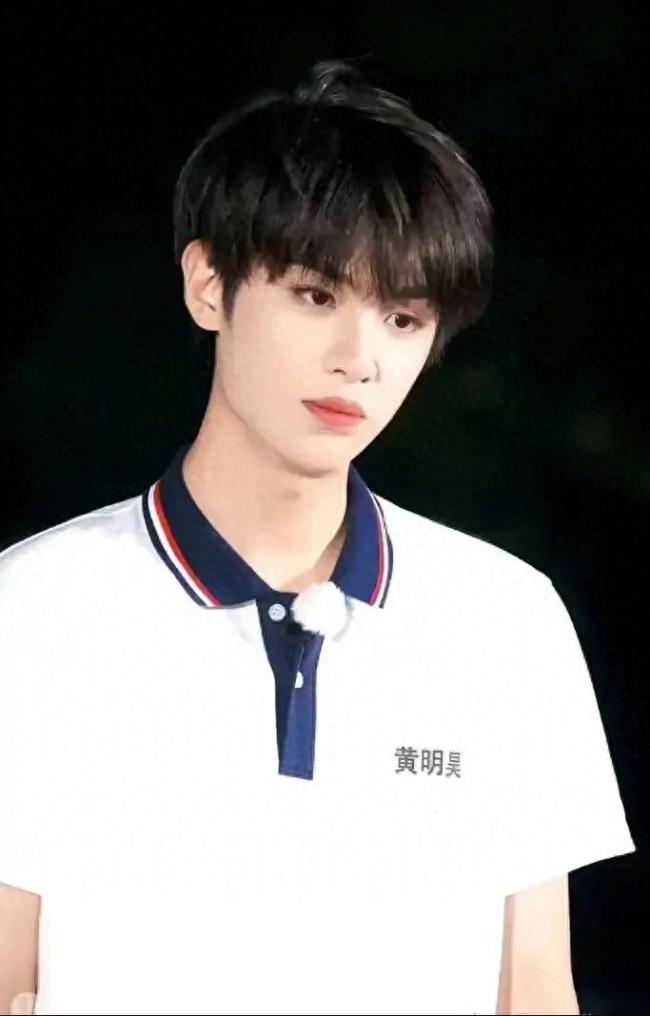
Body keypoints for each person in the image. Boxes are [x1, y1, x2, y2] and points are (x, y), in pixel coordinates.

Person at [0, 58, 635, 1016]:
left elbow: (536, 990)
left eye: (403, 317)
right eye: (316, 295)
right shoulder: (35, 607)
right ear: (208, 284)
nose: (359, 359)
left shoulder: (506, 619)